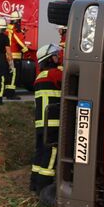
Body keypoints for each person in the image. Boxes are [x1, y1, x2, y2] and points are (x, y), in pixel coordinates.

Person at [30, 44, 63, 195]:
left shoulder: (40, 76)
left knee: (40, 152)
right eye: (56, 56)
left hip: (40, 123)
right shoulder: (56, 74)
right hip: (52, 123)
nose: (58, 57)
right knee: (51, 153)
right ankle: (44, 188)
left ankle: (34, 183)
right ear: (50, 59)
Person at [5, 11, 28, 100]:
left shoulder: (7, 29)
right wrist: (26, 51)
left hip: (7, 55)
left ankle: (7, 93)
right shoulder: (15, 29)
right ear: (18, 21)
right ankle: (11, 94)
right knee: (13, 75)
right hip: (14, 56)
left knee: (9, 75)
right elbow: (19, 42)